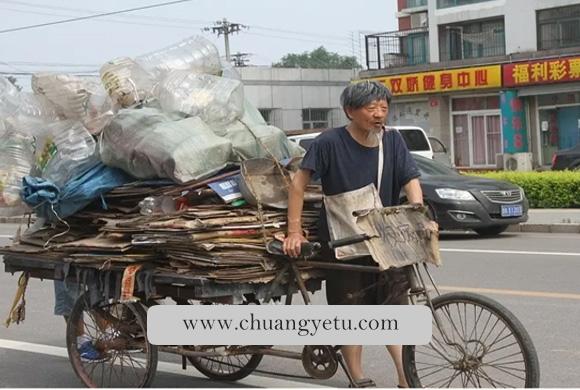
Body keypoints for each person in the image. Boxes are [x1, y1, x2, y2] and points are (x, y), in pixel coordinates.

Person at [283, 80, 424, 388]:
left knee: (395, 310)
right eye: (371, 108)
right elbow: (298, 184)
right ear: (350, 111)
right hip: (343, 241)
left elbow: (410, 180)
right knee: (351, 311)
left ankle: (405, 378)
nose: (379, 114)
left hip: (385, 240)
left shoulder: (393, 141)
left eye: (383, 108)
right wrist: (294, 232)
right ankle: (358, 378)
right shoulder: (328, 142)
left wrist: (418, 214)